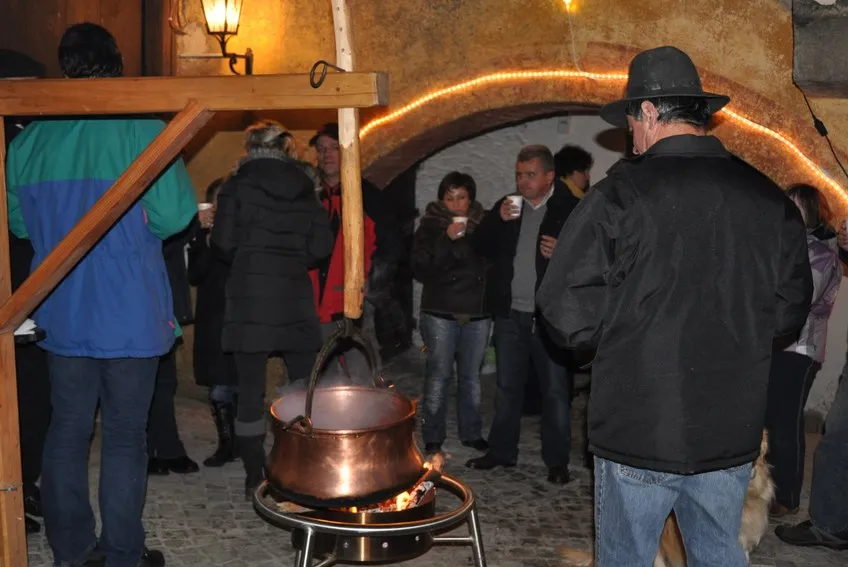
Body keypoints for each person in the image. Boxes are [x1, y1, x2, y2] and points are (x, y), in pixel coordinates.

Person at [536, 46, 813, 566]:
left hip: (638, 425)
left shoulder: (617, 197)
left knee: (627, 558)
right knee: (718, 555)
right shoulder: (767, 200)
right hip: (728, 426)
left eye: (631, 122)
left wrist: (616, 342)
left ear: (647, 112)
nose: (631, 136)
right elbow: (789, 309)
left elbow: (564, 309)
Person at [6, 23, 198, 567]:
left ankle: (71, 552)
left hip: (60, 305)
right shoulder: (144, 129)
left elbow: (19, 224)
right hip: (130, 305)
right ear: (115, 63)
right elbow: (174, 216)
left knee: (67, 429)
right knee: (124, 434)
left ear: (65, 66)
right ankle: (121, 554)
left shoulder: (30, 139)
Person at [211, 120, 334, 499]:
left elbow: (222, 243)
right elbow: (321, 246)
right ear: (285, 147)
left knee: (250, 391)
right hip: (293, 292)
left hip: (250, 294)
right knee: (301, 388)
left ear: (249, 147)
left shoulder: (235, 185)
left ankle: (255, 474)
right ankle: (301, 465)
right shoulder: (306, 186)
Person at [466, 144, 579, 485]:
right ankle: (502, 451)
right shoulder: (509, 206)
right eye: (519, 175)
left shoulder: (570, 209)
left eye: (530, 175)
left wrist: (564, 252)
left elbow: (592, 258)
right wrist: (496, 220)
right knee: (506, 388)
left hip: (548, 319)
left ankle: (557, 461)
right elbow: (478, 247)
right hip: (510, 314)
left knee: (555, 392)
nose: (523, 182)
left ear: (549, 176)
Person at [765, 184, 841, 517]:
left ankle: (788, 496)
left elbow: (799, 300)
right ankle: (765, 489)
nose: (789, 214)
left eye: (797, 208)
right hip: (775, 343)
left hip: (800, 349)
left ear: (812, 213)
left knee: (784, 421)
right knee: (767, 419)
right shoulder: (784, 246)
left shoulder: (821, 254)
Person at [309, 123, 399, 376]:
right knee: (322, 375)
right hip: (316, 300)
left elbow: (389, 245)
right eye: (321, 149)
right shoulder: (312, 196)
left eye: (333, 148)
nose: (326, 154)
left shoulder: (367, 196)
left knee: (360, 372)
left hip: (353, 300)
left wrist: (371, 283)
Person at [411, 171, 490, 455]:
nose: (456, 204)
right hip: (440, 310)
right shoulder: (430, 226)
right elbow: (421, 268)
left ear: (471, 199)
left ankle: (471, 432)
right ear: (442, 200)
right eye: (450, 198)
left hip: (477, 311)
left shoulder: (484, 224)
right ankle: (433, 435)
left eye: (462, 198)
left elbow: (494, 262)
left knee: (471, 377)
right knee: (439, 375)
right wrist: (445, 239)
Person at [188, 178, 239, 467]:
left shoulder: (244, 232)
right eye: (217, 200)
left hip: (241, 315)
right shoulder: (201, 235)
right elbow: (195, 274)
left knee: (242, 383)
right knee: (219, 386)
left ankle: (243, 440)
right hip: (213, 316)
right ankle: (227, 443)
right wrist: (204, 239)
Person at [146, 224, 200, 476]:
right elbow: (162, 237)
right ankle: (150, 449)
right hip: (147, 297)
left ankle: (167, 448)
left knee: (165, 380)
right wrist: (193, 225)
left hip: (165, 300)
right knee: (146, 380)